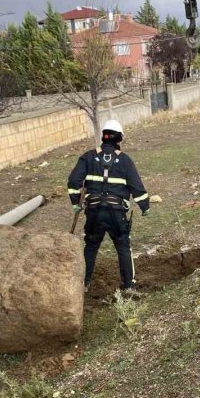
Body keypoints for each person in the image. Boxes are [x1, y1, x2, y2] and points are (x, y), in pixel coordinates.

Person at [67, 120, 149, 292]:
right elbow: (137, 186)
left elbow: (74, 180)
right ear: (119, 138)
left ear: (104, 136)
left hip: (94, 211)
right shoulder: (125, 160)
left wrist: (76, 202)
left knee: (90, 247)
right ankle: (128, 286)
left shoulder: (88, 157)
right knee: (123, 247)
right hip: (116, 213)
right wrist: (144, 206)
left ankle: (84, 284)